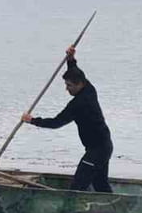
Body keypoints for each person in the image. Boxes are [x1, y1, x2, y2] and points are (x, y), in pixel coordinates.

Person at [20, 46, 113, 192]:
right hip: (105, 146)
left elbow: (56, 122)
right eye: (66, 84)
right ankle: (111, 212)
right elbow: (76, 73)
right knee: (100, 185)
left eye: (69, 85)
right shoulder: (89, 88)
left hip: (97, 151)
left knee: (77, 187)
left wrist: (32, 120)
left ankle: (72, 212)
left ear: (79, 84)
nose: (66, 89)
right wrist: (71, 59)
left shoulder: (79, 104)